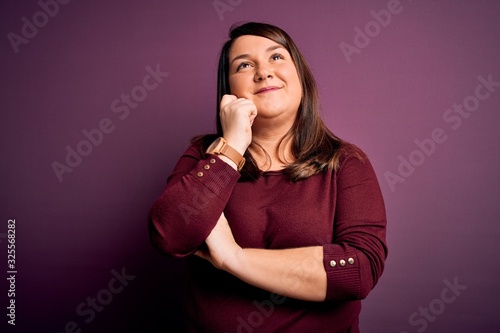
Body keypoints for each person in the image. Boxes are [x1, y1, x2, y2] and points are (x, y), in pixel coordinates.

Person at [148, 21, 387, 333]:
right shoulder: (204, 156)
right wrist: (232, 146)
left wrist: (232, 258)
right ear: (229, 91)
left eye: (276, 57)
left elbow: (359, 271)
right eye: (244, 65)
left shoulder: (346, 163)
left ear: (300, 75)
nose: (263, 72)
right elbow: (171, 236)